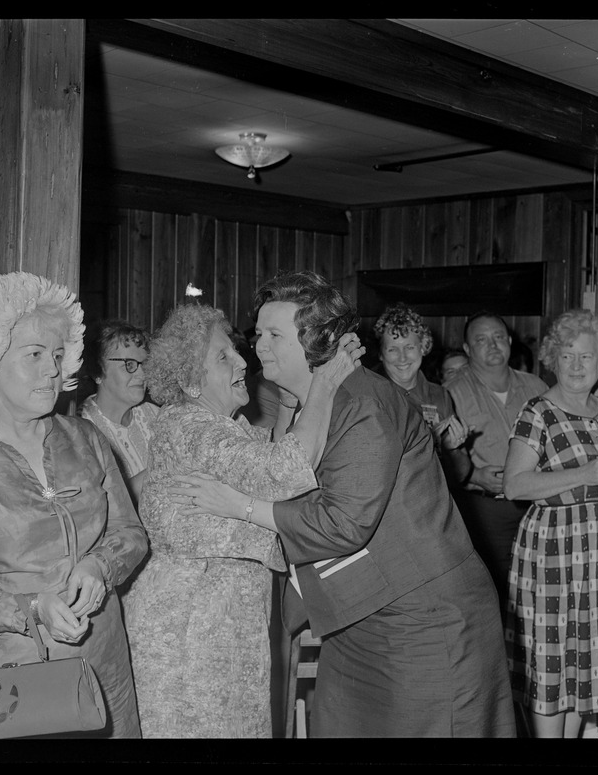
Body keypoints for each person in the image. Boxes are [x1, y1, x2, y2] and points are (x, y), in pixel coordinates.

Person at [172, 271, 515, 738]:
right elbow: (284, 471)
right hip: (356, 614)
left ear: (318, 341)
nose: (258, 345)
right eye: (258, 333)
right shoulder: (301, 399)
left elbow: (343, 523)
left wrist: (240, 505)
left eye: (275, 334)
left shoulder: (365, 402)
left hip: (423, 617)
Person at [0, 272, 148, 738]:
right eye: (35, 355)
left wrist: (99, 566)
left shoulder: (86, 438)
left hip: (105, 673)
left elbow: (130, 533)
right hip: (9, 686)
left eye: (58, 355)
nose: (53, 368)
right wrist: (29, 607)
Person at [124, 301, 363, 738]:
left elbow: (267, 453)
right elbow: (285, 470)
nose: (242, 360)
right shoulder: (193, 428)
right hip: (189, 625)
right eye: (223, 356)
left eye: (236, 350)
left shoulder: (219, 425)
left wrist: (293, 403)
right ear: (192, 384)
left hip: (221, 615)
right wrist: (325, 383)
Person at [502, 309, 598, 738]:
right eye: (568, 356)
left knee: (582, 666)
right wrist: (584, 475)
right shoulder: (538, 411)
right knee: (551, 659)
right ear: (553, 359)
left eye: (587, 358)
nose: (577, 366)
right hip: (553, 554)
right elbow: (515, 485)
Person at [444, 311, 548, 609]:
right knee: (496, 596)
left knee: (540, 590)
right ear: (467, 349)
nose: (492, 345)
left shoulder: (536, 387)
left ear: (510, 341)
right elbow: (436, 457)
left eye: (498, 337)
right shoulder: (450, 393)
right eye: (481, 339)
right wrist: (474, 474)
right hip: (485, 511)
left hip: (536, 506)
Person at [372, 303, 469, 472]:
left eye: (409, 347)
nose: (402, 358)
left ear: (423, 347)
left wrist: (450, 449)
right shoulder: (369, 395)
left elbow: (462, 474)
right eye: (392, 349)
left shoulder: (439, 394)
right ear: (381, 354)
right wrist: (433, 441)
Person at [77, 319, 159, 503]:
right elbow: (102, 506)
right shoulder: (81, 429)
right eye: (129, 364)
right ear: (97, 371)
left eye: (144, 364)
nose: (142, 374)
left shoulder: (154, 415)